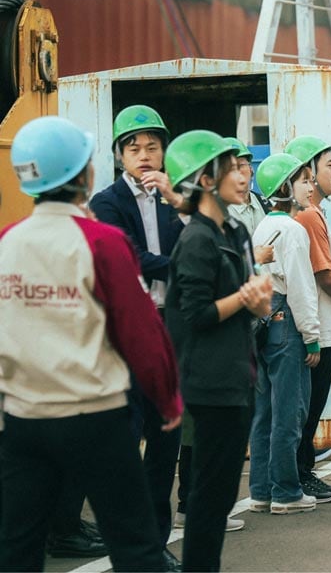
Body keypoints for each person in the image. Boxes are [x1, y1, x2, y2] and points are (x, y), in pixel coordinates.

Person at [0, 116, 182, 572]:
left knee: (16, 548)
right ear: (85, 174)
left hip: (23, 419)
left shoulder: (7, 242)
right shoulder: (102, 241)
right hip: (95, 417)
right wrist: (167, 397)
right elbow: (140, 332)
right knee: (135, 545)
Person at [164, 130, 272, 571]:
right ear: (205, 179)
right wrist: (245, 299)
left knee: (224, 493)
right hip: (208, 386)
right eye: (230, 166)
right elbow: (196, 315)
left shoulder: (235, 231)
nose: (242, 174)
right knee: (209, 501)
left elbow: (249, 304)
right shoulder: (197, 240)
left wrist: (259, 304)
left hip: (237, 379)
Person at [88, 104, 187, 568]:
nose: (144, 155)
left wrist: (176, 202)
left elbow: (203, 237)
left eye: (153, 147)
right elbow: (127, 257)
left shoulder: (174, 198)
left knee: (166, 440)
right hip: (127, 329)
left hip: (171, 326)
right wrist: (188, 267)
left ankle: (154, 542)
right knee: (125, 438)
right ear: (118, 156)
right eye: (134, 148)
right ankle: (123, 539)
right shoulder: (107, 202)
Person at [285, 134, 331, 501]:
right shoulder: (310, 215)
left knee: (307, 406)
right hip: (319, 328)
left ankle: (302, 468)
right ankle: (302, 473)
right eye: (328, 164)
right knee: (309, 407)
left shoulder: (309, 214)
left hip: (321, 323)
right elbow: (324, 273)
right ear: (308, 176)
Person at [249, 153, 324, 514]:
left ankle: (261, 490)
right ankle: (286, 491)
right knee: (290, 410)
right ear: (285, 188)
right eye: (303, 180)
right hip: (286, 323)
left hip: (262, 320)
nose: (310, 186)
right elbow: (301, 287)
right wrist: (312, 336)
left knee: (264, 411)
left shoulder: (261, 227)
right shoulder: (293, 230)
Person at [224, 137, 270, 244]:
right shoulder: (220, 212)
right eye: (230, 168)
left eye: (240, 165)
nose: (237, 172)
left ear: (251, 168)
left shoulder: (265, 203)